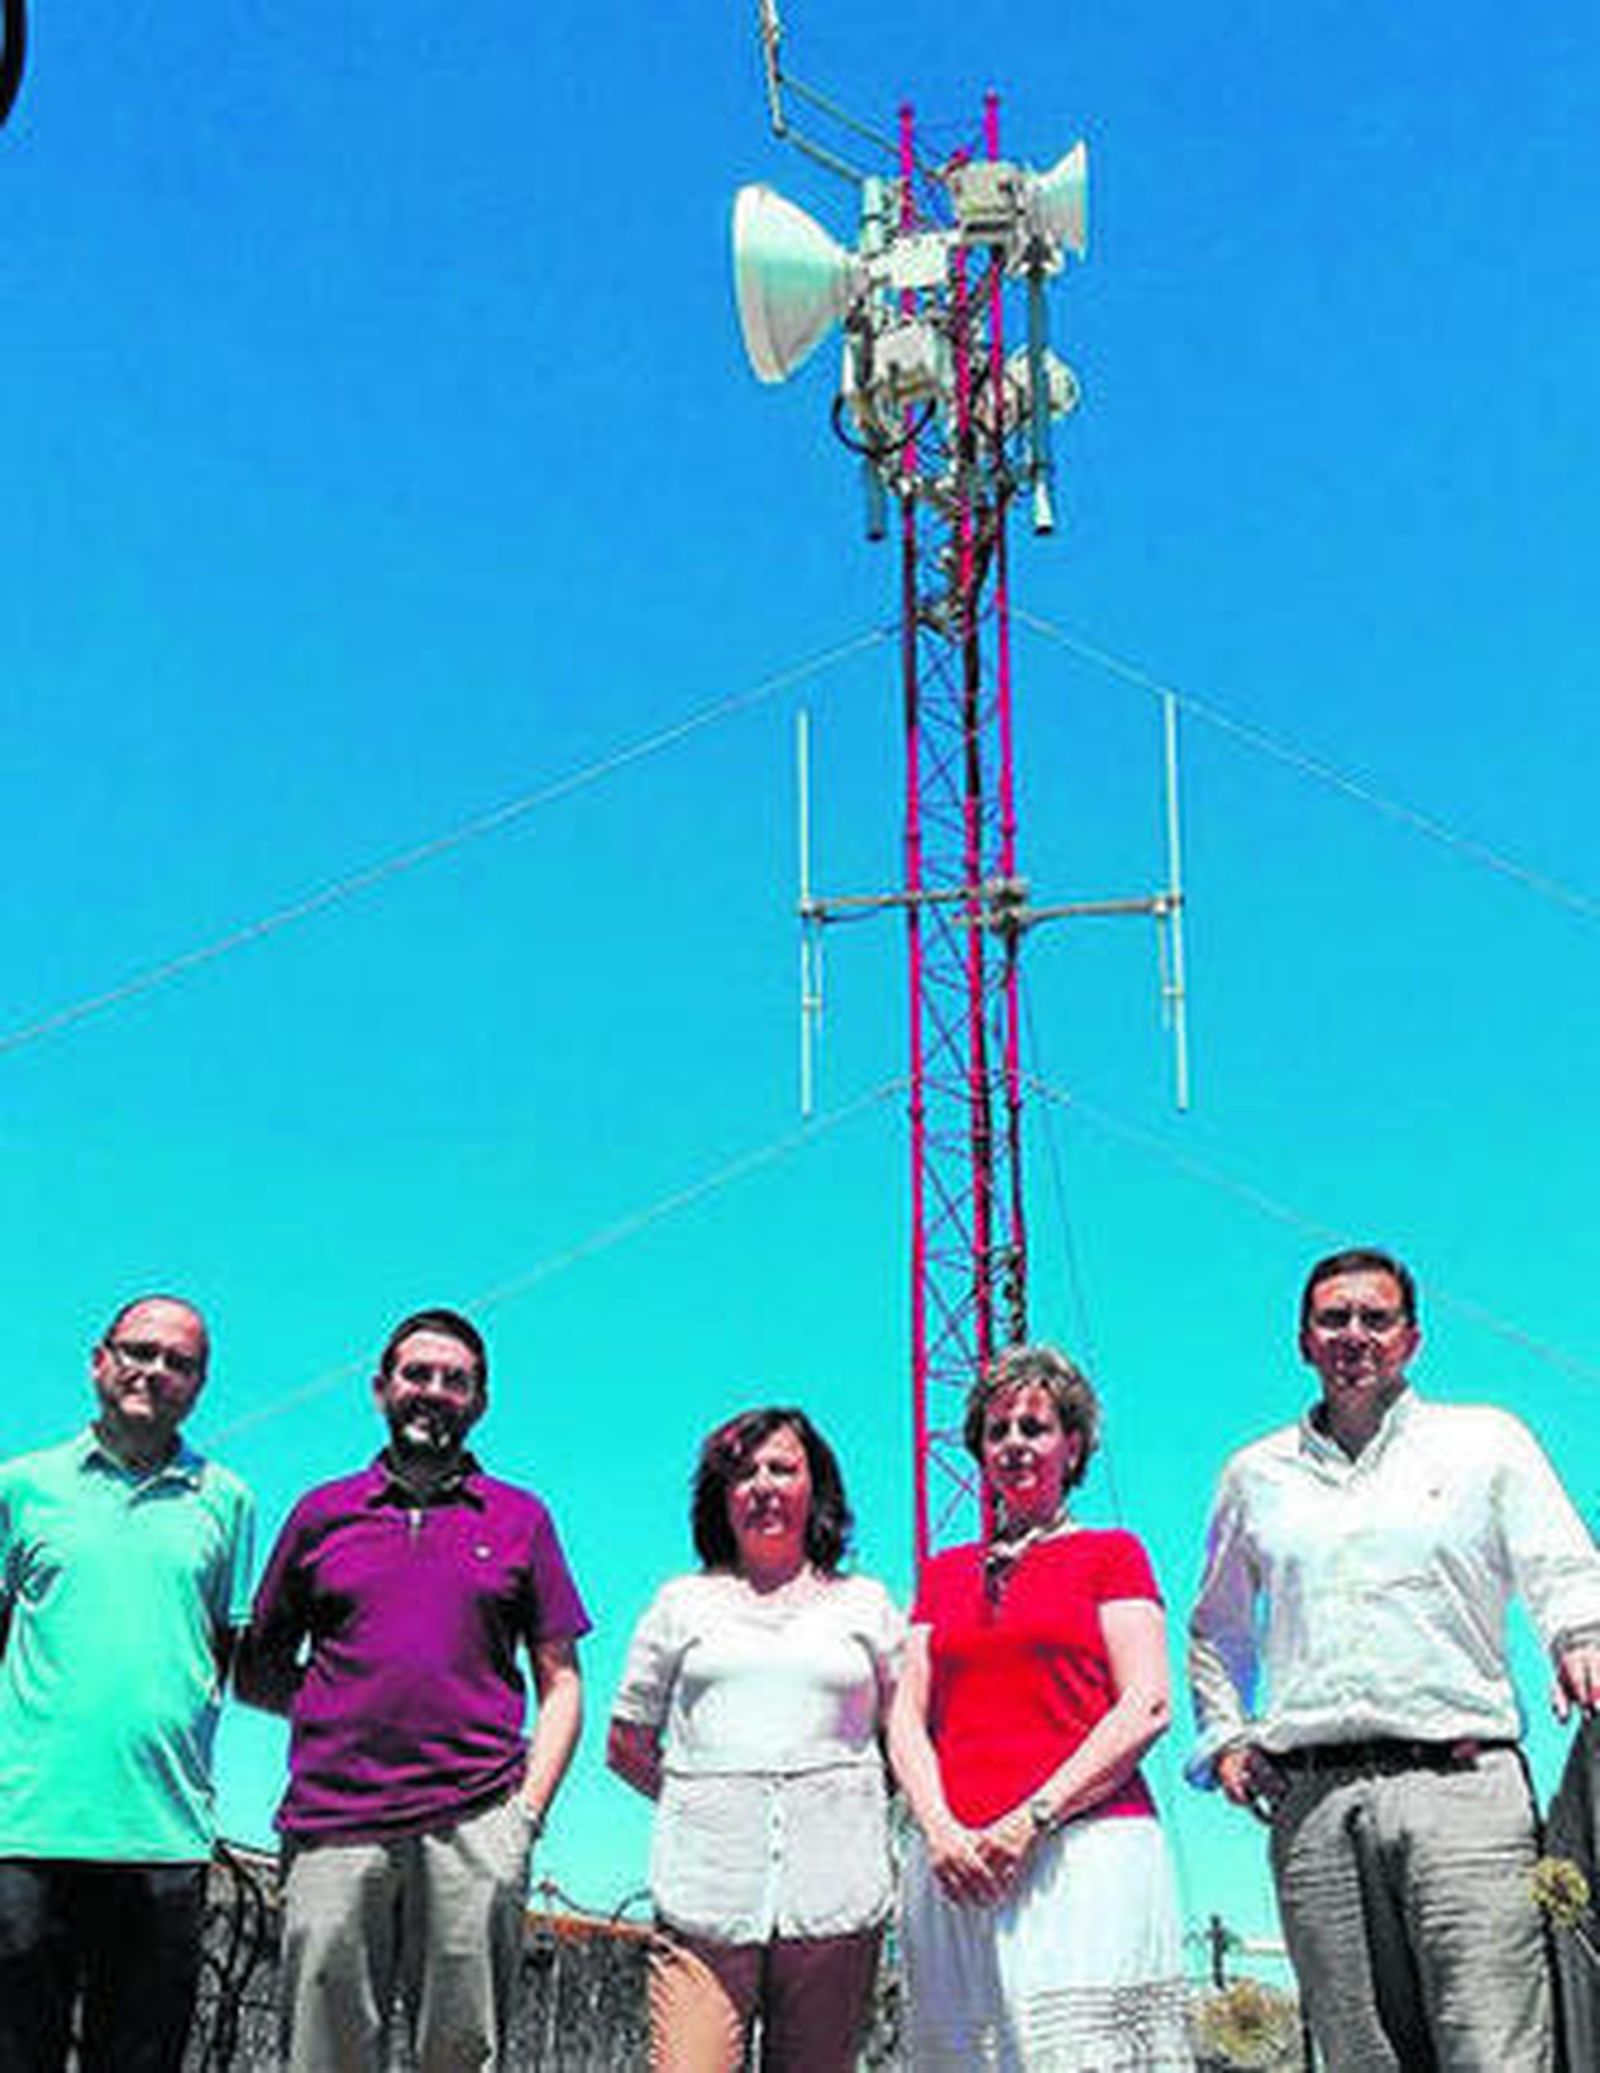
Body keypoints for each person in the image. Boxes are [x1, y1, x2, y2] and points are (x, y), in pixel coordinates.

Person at [1188, 1245, 1600, 2072]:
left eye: (1376, 1318)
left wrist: (1579, 1636)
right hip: (1313, 1805)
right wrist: (1226, 1737)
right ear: (1303, 1341)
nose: (1355, 1334)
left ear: (1411, 1339)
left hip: (1463, 1790)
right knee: (1360, 2055)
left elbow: (1561, 1564)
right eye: (1333, 1318)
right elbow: (1216, 1628)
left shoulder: (1486, 1441)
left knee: (1494, 2048)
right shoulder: (1253, 1476)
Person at [236, 1306, 588, 2073]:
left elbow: (562, 1681)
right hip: (333, 1824)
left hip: (476, 1823)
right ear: (380, 1388)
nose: (433, 1390)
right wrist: (342, 1708)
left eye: (454, 1380)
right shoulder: (320, 1513)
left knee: (461, 2057)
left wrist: (525, 1817)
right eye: (416, 1373)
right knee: (322, 2058)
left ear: (480, 1400)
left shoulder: (523, 1518)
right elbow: (257, 1670)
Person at [889, 1344, 1193, 2071]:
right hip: (958, 1866)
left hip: (1084, 1853)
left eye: (1035, 1427)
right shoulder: (944, 1574)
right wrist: (940, 1831)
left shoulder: (1113, 1554)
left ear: (1074, 1445)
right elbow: (906, 1716)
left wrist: (1033, 1819)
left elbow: (1148, 1703)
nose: (1014, 1445)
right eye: (997, 1431)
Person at [0, 1294, 256, 2073]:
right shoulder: (21, 1485)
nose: (155, 1369)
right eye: (139, 1350)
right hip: (25, 1830)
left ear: (199, 1384)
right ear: (99, 1361)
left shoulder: (228, 1501)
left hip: (163, 1835)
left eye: (179, 1361)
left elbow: (222, 1652)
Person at [607, 1406, 902, 2072]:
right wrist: (708, 1807)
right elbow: (626, 1743)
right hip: (703, 1904)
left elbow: (904, 1737)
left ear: (815, 1488)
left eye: (782, 1468)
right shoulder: (680, 1603)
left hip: (837, 1905)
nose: (763, 1485)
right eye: (744, 1473)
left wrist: (844, 1804)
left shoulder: (867, 1603)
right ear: (721, 1494)